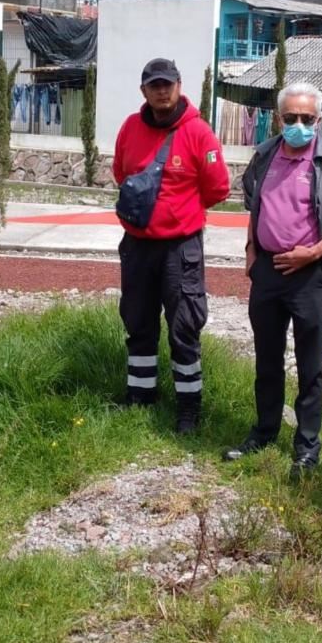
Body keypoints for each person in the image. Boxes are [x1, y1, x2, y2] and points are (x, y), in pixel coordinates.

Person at [222, 81, 322, 479]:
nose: (300, 125)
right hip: (268, 271)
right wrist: (252, 251)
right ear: (278, 117)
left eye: (308, 119)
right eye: (292, 118)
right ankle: (265, 431)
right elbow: (254, 204)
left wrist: (315, 252)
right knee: (267, 358)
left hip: (310, 274)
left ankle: (306, 448)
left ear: (319, 119)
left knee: (310, 365)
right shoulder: (265, 154)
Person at [112, 58, 230, 434]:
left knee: (183, 327)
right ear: (143, 90)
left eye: (168, 84)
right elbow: (121, 172)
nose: (162, 91)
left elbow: (217, 188)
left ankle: (188, 408)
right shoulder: (130, 127)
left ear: (179, 85)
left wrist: (180, 213)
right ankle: (140, 397)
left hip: (180, 249)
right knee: (138, 321)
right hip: (137, 246)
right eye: (154, 85)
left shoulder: (198, 132)